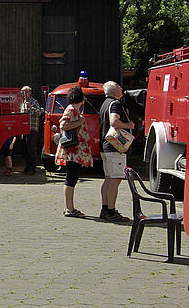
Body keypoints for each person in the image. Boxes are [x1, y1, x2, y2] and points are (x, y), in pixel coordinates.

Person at [55, 85, 92, 217]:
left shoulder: (74, 110)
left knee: (73, 177)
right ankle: (69, 208)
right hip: (72, 150)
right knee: (70, 178)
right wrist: (80, 121)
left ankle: (70, 207)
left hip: (76, 150)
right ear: (80, 98)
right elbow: (63, 125)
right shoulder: (71, 110)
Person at [99, 81, 134, 221]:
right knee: (115, 179)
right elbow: (114, 122)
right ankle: (111, 212)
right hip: (115, 147)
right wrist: (128, 125)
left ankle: (105, 209)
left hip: (105, 147)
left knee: (108, 179)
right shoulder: (115, 104)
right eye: (119, 87)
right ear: (114, 91)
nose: (122, 89)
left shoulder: (104, 104)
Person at [19, 85, 44, 175]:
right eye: (22, 92)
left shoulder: (34, 102)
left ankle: (32, 168)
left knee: (31, 149)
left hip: (32, 129)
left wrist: (31, 108)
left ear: (30, 93)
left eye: (25, 92)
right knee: (23, 149)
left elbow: (39, 113)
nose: (24, 94)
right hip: (23, 129)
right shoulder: (21, 102)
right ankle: (28, 166)